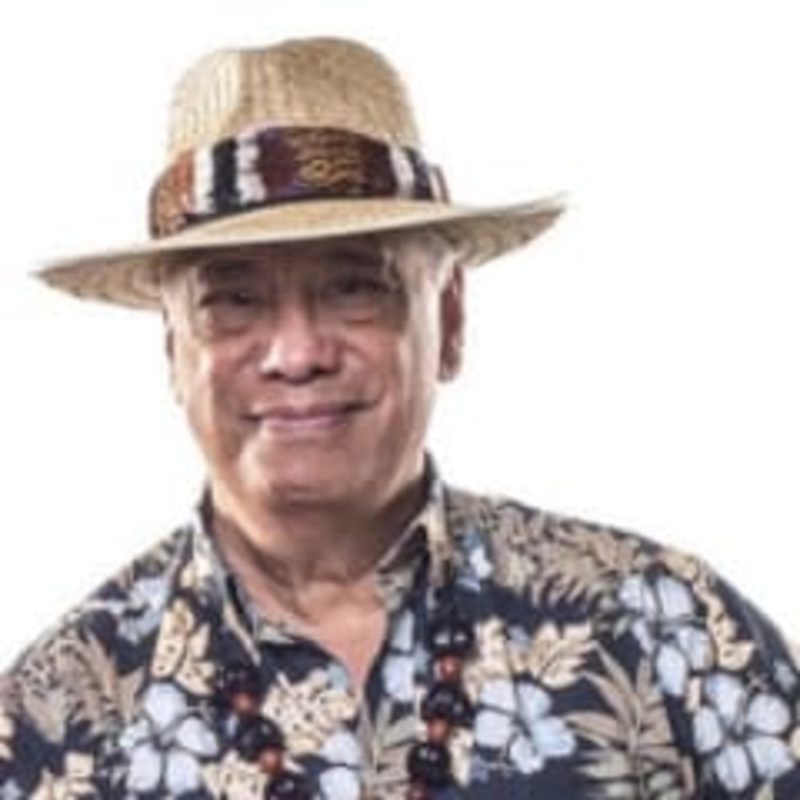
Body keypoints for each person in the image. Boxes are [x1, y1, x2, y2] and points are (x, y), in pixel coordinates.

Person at [1, 34, 798, 800]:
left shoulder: (670, 634)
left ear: (448, 319)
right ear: (174, 348)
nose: (296, 353)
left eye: (353, 287)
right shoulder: (51, 725)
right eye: (234, 300)